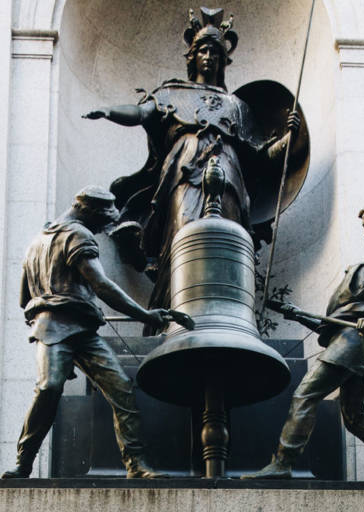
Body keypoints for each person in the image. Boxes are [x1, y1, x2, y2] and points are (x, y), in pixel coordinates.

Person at [83, 7, 300, 309]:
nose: (209, 57)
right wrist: (110, 111)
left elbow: (261, 157)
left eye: (216, 52)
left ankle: (228, 309)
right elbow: (142, 113)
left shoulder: (236, 106)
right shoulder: (172, 92)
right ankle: (176, 307)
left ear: (224, 61)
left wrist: (289, 139)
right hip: (184, 173)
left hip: (229, 176)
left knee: (228, 233)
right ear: (193, 56)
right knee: (183, 230)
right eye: (203, 51)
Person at [2, 186, 176, 480]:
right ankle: (23, 464)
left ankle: (135, 464)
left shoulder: (35, 243)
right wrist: (145, 314)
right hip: (57, 327)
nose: (103, 230)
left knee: (119, 387)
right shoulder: (77, 235)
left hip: (79, 331)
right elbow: (102, 285)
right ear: (88, 211)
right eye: (104, 222)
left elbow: (23, 299)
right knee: (49, 388)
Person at [249, 191, 364, 481]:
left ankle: (283, 461)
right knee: (355, 417)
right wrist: (297, 315)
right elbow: (334, 325)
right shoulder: (358, 267)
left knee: (305, 393)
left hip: (358, 342)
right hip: (350, 341)